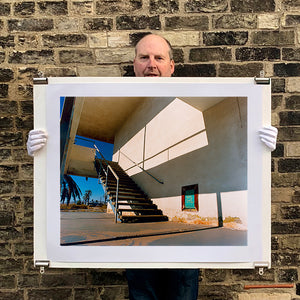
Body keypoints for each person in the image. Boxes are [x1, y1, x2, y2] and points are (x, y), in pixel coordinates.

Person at [27, 33, 278, 300]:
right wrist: (44, 152)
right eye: (144, 57)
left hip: (185, 259)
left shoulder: (196, 94)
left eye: (159, 58)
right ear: (134, 64)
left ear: (171, 66)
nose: (151, 64)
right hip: (139, 255)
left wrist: (260, 148)